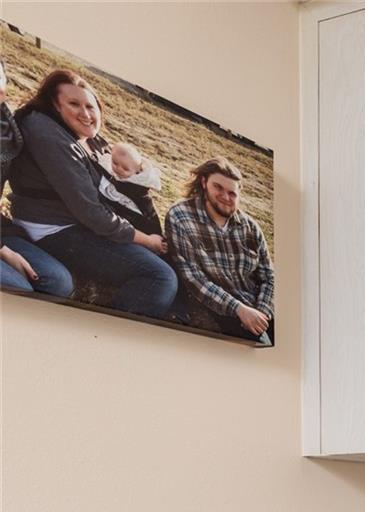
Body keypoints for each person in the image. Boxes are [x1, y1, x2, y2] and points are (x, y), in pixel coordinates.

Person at [6, 68, 175, 316]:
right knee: (160, 277)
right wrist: (145, 239)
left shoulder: (84, 136)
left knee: (167, 265)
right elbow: (91, 212)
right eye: (74, 104)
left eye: (90, 106)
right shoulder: (47, 133)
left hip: (78, 224)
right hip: (53, 228)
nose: (85, 114)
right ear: (54, 105)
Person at [165, 157, 273, 344]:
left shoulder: (250, 227)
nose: (225, 196)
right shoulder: (180, 217)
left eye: (232, 193)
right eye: (218, 188)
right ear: (204, 182)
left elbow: (268, 275)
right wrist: (239, 309)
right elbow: (192, 277)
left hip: (258, 303)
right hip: (223, 307)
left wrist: (262, 311)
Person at [0, 57, 73, 297]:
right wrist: (5, 252)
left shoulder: (7, 132)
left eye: (1, 89)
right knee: (17, 289)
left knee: (58, 281)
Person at [96, 142, 163, 236]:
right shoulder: (109, 164)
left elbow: (146, 206)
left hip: (135, 212)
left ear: (137, 171)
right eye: (115, 163)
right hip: (119, 214)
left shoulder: (139, 183)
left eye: (125, 168)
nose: (118, 168)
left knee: (147, 225)